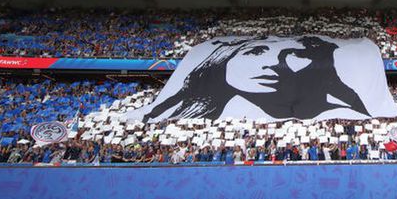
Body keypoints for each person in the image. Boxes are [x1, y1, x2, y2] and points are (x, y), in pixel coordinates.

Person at [139, 36, 370, 121]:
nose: (274, 64)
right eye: (256, 52)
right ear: (223, 59)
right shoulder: (189, 96)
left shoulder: (321, 103)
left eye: (281, 57)